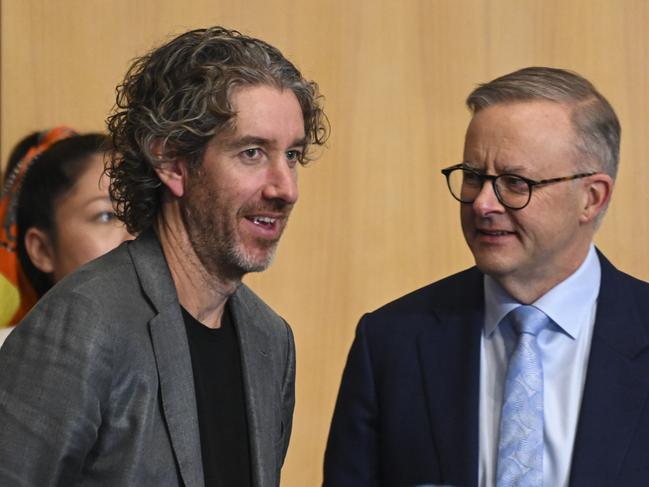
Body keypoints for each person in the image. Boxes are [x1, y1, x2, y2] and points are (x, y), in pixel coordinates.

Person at [0, 26, 327, 487]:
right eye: (252, 152)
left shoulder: (271, 339)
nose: (285, 189)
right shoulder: (83, 322)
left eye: (291, 155)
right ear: (172, 162)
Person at [324, 67, 649, 487]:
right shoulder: (391, 342)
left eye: (515, 183)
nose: (482, 204)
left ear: (591, 197)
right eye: (474, 177)